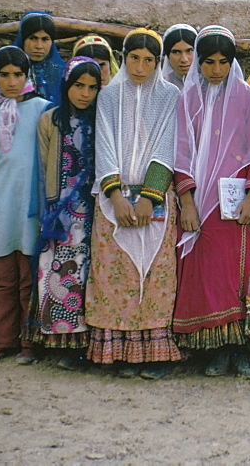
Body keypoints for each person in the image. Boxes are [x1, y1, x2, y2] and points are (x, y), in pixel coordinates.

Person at [172, 25, 250, 378]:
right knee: (206, 277)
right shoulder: (187, 100)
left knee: (237, 276)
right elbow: (180, 153)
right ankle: (214, 351)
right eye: (209, 62)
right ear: (199, 63)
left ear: (233, 62)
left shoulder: (248, 98)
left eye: (223, 62)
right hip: (200, 203)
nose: (216, 69)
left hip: (234, 205)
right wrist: (186, 202)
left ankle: (240, 351)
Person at [88, 28, 182, 379]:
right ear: (123, 58)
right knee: (116, 274)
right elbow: (105, 142)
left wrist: (150, 196)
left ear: (157, 63)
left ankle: (154, 355)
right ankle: (118, 353)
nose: (140, 67)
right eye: (133, 58)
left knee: (156, 275)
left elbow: (167, 144)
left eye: (148, 60)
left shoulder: (170, 95)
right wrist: (115, 194)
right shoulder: (109, 96)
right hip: (114, 200)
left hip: (153, 201)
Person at [0, 46, 49, 364]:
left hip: (30, 209)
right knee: (2, 280)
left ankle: (29, 345)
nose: (11, 81)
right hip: (0, 208)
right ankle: (2, 342)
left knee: (28, 280)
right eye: (4, 74)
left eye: (18, 74)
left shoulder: (44, 109)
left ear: (27, 75)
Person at [26, 56, 102, 370]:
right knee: (58, 270)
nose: (84, 93)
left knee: (86, 272)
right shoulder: (50, 119)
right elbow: (43, 168)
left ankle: (84, 344)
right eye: (78, 85)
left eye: (92, 87)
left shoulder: (102, 119)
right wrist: (49, 209)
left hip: (94, 210)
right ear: (66, 85)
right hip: (60, 214)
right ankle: (60, 342)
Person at [14, 11, 66, 106]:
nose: (39, 46)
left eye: (45, 39)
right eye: (33, 38)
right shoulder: (9, 69)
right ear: (22, 39)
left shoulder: (62, 73)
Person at [162, 23, 197, 90]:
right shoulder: (160, 87)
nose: (184, 59)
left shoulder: (209, 85)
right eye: (176, 52)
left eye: (189, 51)